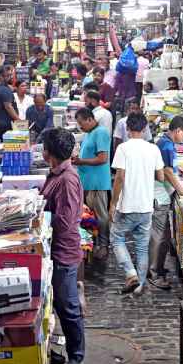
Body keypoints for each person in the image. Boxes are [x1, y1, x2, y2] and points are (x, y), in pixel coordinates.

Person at [40, 127, 86, 364]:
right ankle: (57, 349)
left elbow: (66, 221)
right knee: (55, 303)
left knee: (68, 307)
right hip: (53, 250)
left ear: (49, 152)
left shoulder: (67, 179)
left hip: (63, 251)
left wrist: (39, 217)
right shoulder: (57, 174)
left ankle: (76, 357)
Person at [109, 112, 166, 297]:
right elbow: (161, 176)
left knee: (117, 238)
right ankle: (140, 285)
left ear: (127, 128)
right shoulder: (153, 149)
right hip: (146, 206)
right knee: (142, 246)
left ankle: (131, 274)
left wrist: (113, 203)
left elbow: (119, 178)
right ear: (145, 129)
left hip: (127, 206)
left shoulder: (123, 149)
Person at [149, 116, 183, 290]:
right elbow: (168, 172)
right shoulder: (167, 145)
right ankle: (155, 273)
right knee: (160, 235)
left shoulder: (164, 143)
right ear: (178, 131)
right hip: (160, 196)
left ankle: (157, 269)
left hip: (162, 194)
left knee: (163, 234)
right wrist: (182, 190)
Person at [72, 108, 111, 261]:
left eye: (82, 124)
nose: (80, 127)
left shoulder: (101, 133)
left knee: (101, 216)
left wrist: (81, 161)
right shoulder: (89, 133)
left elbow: (102, 158)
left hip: (97, 182)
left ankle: (104, 245)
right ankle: (93, 243)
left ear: (89, 119)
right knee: (90, 215)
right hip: (88, 180)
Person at [0, 65, 21, 140]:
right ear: (1, 77)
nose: (11, 77)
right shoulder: (5, 90)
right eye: (8, 75)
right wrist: (19, 121)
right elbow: (8, 107)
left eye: (11, 74)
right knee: (9, 147)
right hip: (6, 124)